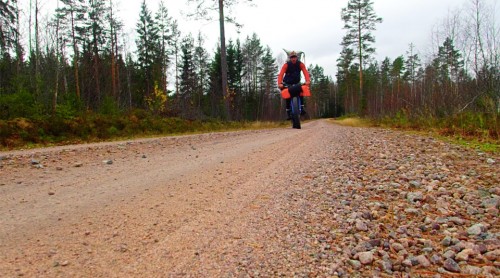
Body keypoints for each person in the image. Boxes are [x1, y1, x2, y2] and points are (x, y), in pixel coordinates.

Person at [277, 50, 311, 120]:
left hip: (296, 83)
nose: (293, 59)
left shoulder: (300, 64)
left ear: (297, 57)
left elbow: (305, 72)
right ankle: (288, 112)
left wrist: (307, 80)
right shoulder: (286, 65)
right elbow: (281, 74)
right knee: (287, 96)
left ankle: (301, 108)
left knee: (301, 91)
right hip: (287, 83)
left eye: (294, 57)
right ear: (290, 58)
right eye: (292, 57)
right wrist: (279, 83)